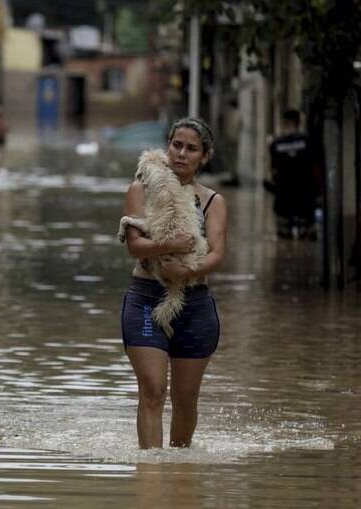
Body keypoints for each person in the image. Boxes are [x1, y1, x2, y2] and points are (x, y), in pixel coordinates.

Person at [120, 117, 228, 448]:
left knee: (185, 401)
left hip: (194, 305)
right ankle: (151, 475)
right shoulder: (141, 188)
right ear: (167, 146)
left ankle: (180, 475)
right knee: (153, 390)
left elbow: (217, 254)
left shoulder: (213, 201)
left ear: (204, 156)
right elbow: (135, 246)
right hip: (146, 300)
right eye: (176, 145)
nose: (181, 153)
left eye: (191, 148)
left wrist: (186, 273)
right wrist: (170, 246)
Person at [269, 109, 317, 239]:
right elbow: (315, 166)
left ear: (284, 123)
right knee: (307, 237)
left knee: (284, 236)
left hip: (284, 196)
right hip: (305, 195)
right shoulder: (307, 141)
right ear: (298, 123)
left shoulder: (276, 144)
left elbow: (274, 171)